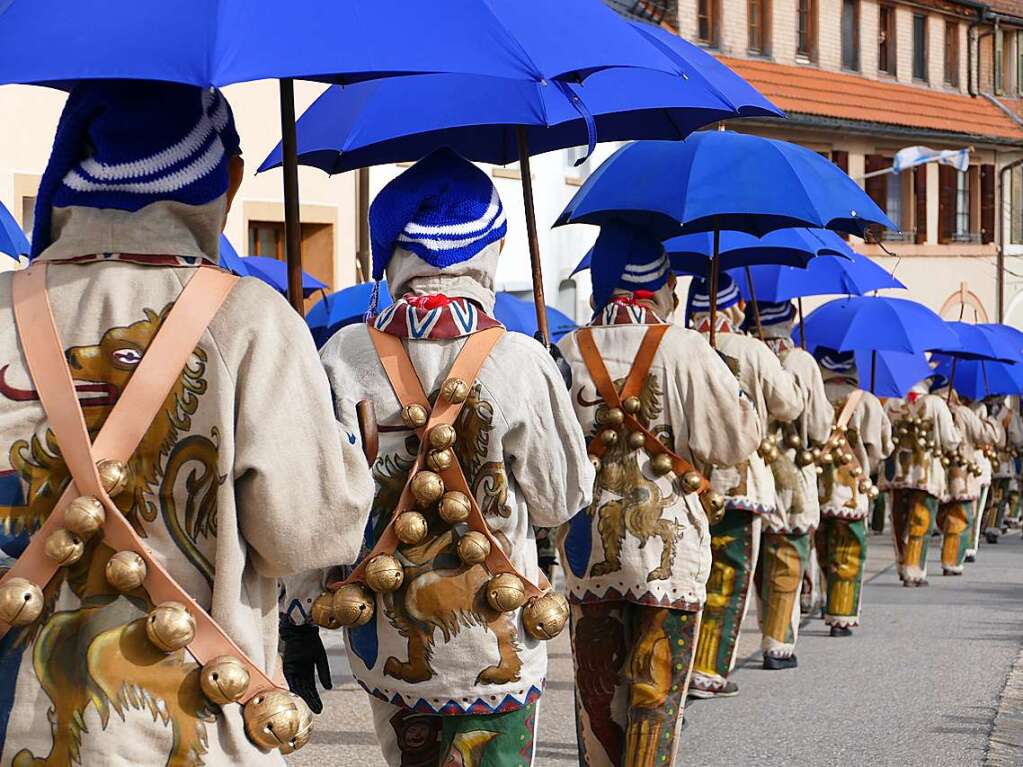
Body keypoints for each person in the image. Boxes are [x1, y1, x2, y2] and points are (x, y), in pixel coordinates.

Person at [0, 82, 374, 765]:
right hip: (195, 724)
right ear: (221, 179)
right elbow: (305, 535)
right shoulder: (252, 318)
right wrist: (343, 446)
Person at [315, 150, 593, 767]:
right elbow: (559, 502)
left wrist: (297, 611)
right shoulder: (520, 356)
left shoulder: (343, 353)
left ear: (388, 254)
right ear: (490, 250)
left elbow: (321, 503)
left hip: (386, 633)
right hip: (498, 638)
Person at [556, 224, 760, 765]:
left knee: (597, 692)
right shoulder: (686, 346)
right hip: (667, 547)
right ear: (662, 286)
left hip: (587, 543)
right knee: (657, 688)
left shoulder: (565, 349)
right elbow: (736, 440)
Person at [684, 275, 803, 699]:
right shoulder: (752, 349)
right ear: (735, 308)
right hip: (737, 481)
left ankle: (683, 667)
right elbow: (789, 407)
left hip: (688, 478)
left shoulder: (680, 342)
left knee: (692, 574)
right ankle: (708, 669)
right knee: (728, 574)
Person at [744, 301, 832, 667]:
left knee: (755, 561)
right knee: (787, 556)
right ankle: (777, 641)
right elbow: (817, 427)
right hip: (789, 475)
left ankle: (760, 629)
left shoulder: (740, 349)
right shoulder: (800, 360)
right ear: (790, 318)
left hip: (749, 472)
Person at [815, 351, 892, 634]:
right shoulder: (866, 400)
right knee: (848, 551)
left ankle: (823, 597)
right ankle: (841, 615)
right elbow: (881, 447)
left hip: (817, 489)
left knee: (821, 549)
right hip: (852, 491)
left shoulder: (816, 393)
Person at [880, 378, 960, 587]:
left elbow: (884, 437)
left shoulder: (892, 402)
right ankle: (913, 569)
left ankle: (901, 562)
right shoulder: (935, 403)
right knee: (921, 520)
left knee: (898, 519)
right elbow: (950, 440)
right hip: (926, 473)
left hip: (897, 472)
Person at [935, 386, 993, 575]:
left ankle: (940, 558)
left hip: (937, 474)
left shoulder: (930, 408)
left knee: (942, 515)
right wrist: (991, 423)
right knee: (961, 516)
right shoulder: (964, 413)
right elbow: (987, 436)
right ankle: (951, 561)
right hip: (962, 474)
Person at [964, 398, 1003, 561]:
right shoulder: (980, 410)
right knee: (976, 510)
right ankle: (970, 546)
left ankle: (959, 544)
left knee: (961, 507)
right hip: (979, 464)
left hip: (962, 464)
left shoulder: (956, 408)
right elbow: (991, 437)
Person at [982, 396, 1023, 543]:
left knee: (986, 495)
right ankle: (992, 527)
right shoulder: (1009, 415)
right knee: (999, 496)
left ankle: (982, 524)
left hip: (984, 458)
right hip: (1002, 461)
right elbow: (1018, 438)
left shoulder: (981, 410)